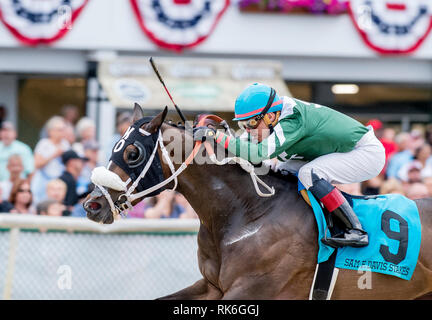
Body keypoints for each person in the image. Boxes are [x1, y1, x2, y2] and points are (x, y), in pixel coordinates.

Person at [194, 83, 386, 248]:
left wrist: (215, 136)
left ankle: (355, 229)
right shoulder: (273, 115)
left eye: (251, 123)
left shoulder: (291, 120)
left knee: (309, 173)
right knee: (279, 170)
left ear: (270, 117)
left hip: (365, 152)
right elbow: (245, 149)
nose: (249, 130)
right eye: (244, 124)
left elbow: (255, 153)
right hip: (341, 149)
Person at [31, 116, 70, 204]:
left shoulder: (65, 144)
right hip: (44, 181)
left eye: (63, 129)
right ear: (51, 131)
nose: (62, 132)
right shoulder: (44, 144)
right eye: (59, 130)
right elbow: (37, 164)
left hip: (59, 182)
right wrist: (54, 155)